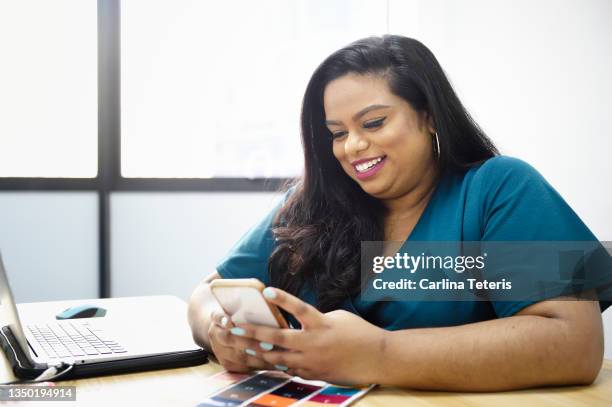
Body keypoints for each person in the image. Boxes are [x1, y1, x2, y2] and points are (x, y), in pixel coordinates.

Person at [188, 35, 609, 391]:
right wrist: (217, 332)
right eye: (337, 133)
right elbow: (205, 294)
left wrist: (379, 354)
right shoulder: (310, 206)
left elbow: (575, 343)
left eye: (373, 124)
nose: (351, 146)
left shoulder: (496, 188)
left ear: (428, 116)